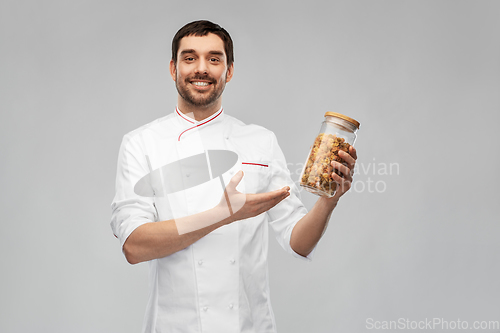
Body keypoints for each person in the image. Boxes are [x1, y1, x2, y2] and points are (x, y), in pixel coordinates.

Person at [111, 20, 357, 333]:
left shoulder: (260, 141)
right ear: (173, 68)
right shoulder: (141, 143)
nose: (202, 68)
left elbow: (298, 241)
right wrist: (222, 215)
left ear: (228, 71)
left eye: (214, 59)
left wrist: (328, 201)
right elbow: (134, 245)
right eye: (190, 58)